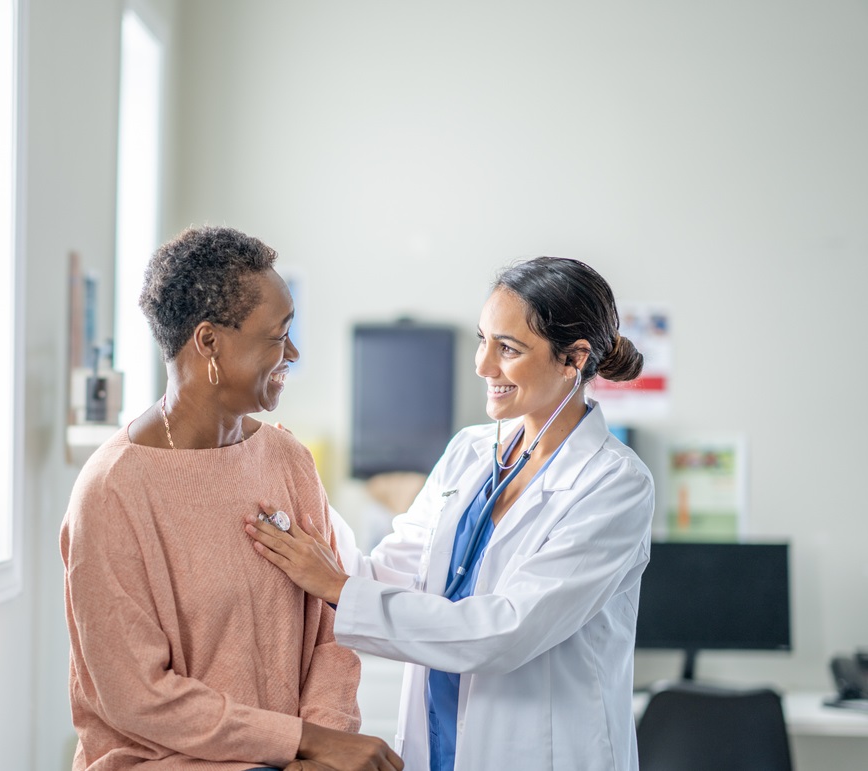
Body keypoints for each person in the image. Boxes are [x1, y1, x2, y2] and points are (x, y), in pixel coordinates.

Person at [245, 257, 655, 770]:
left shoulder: (614, 483)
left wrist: (337, 589)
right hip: (440, 745)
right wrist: (303, 486)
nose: (484, 365)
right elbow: (383, 574)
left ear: (573, 359)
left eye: (508, 349)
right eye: (484, 340)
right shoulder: (470, 452)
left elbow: (506, 631)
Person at [61, 226, 403, 771]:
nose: (292, 351)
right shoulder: (112, 492)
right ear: (209, 343)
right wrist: (301, 741)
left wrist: (322, 744)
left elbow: (329, 634)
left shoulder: (288, 460)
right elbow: (139, 695)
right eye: (277, 335)